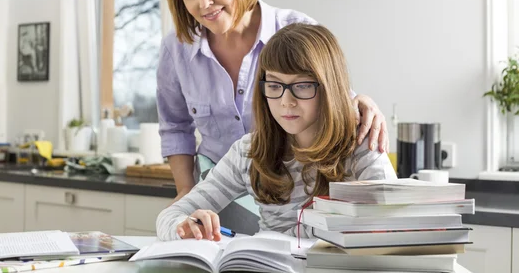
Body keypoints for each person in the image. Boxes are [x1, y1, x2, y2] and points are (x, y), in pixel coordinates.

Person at [157, 0, 389, 208]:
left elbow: (332, 100)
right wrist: (186, 194)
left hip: (289, 194)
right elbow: (175, 127)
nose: (204, 2)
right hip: (218, 194)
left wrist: (360, 100)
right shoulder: (176, 50)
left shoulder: (295, 29)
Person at [156, 24, 397, 241]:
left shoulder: (361, 145)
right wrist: (184, 226)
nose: (286, 101)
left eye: (302, 86)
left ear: (328, 88)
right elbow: (170, 216)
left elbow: (398, 224)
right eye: (274, 86)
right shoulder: (248, 152)